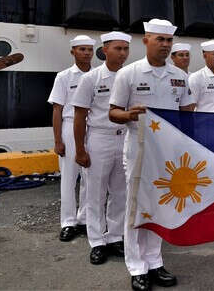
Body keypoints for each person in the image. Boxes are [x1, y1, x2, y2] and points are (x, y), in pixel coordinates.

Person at [109, 19, 194, 291]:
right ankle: (136, 267)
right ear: (146, 40)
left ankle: (155, 261)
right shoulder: (129, 74)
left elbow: (187, 110)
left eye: (169, 41)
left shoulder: (179, 76)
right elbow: (113, 112)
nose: (166, 45)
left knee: (159, 207)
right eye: (160, 40)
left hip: (167, 153)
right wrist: (129, 114)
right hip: (138, 149)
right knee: (136, 208)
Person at [71, 32, 130, 265]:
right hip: (99, 138)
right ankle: (96, 241)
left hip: (124, 138)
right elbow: (79, 116)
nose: (123, 53)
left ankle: (115, 237)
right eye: (118, 48)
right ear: (105, 50)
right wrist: (80, 149)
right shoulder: (91, 78)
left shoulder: (129, 77)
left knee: (120, 192)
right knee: (95, 193)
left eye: (126, 48)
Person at [48, 34, 94, 242]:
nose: (86, 53)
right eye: (82, 49)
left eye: (89, 49)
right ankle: (68, 222)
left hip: (93, 128)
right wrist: (58, 140)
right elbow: (57, 110)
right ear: (73, 51)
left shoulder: (98, 76)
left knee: (90, 177)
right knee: (68, 177)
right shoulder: (64, 76)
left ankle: (84, 218)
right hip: (69, 126)